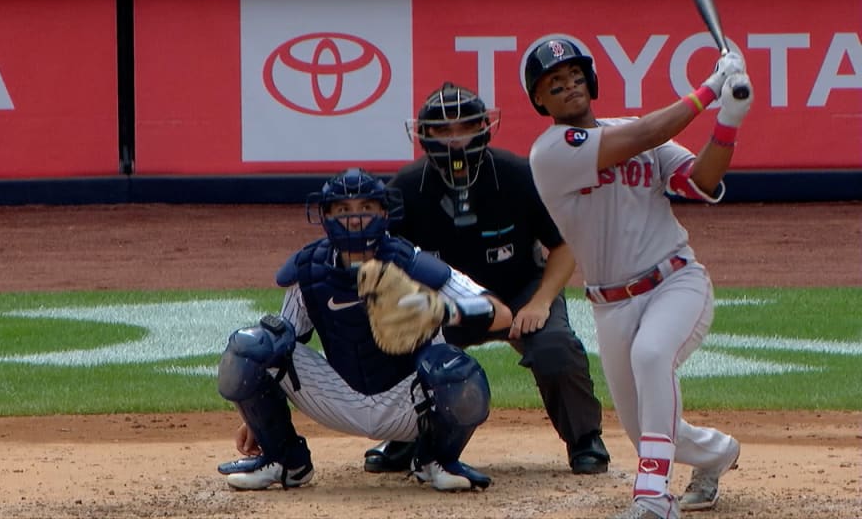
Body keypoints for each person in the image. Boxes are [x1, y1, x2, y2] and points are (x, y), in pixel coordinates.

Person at [523, 37, 751, 519]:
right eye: (554, 84)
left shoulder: (638, 132)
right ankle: (718, 453)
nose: (569, 87)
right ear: (539, 100)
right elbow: (642, 136)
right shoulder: (550, 152)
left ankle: (652, 498)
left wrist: (728, 120)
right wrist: (711, 87)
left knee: (652, 358)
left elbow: (700, 181)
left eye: (576, 77)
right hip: (610, 304)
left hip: (676, 281)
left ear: (592, 82)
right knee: (642, 423)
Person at [361, 82, 611, 476]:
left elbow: (563, 247)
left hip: (519, 291)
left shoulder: (518, 174)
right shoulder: (404, 189)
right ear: (424, 135)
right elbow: (382, 259)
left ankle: (585, 439)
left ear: (484, 127)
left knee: (556, 347)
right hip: (446, 301)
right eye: (442, 130)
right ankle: (410, 435)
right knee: (399, 341)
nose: (455, 139)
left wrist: (541, 301)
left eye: (465, 126)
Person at [216, 167, 514, 492]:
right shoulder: (309, 269)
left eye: (366, 209)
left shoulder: (411, 263)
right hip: (337, 396)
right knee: (251, 347)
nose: (355, 219)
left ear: (384, 213)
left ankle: (436, 461)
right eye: (344, 210)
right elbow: (280, 351)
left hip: (409, 401)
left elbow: (502, 314)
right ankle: (285, 461)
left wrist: (444, 311)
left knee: (455, 370)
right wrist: (256, 422)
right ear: (326, 215)